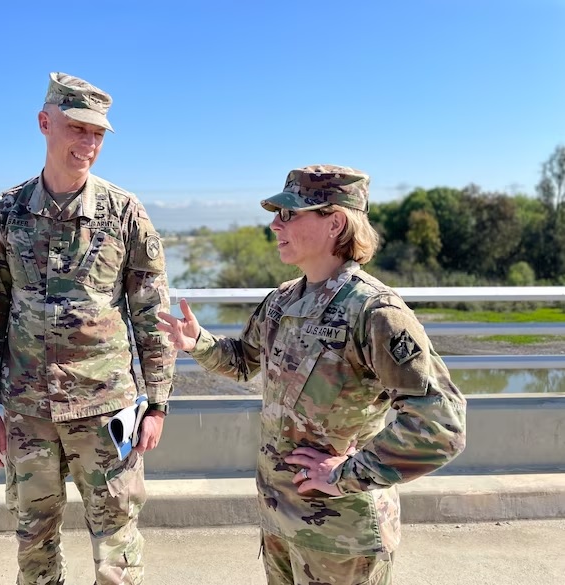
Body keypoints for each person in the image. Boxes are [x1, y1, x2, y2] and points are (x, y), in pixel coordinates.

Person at [156, 164, 467, 585]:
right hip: (279, 522)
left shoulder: (374, 312)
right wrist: (199, 343)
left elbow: (441, 423)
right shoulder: (283, 300)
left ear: (335, 222)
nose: (274, 225)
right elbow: (246, 361)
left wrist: (345, 474)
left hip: (342, 538)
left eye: (290, 214)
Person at [0, 72, 176, 585]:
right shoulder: (6, 212)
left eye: (98, 134)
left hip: (107, 410)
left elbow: (151, 314)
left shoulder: (125, 213)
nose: (88, 143)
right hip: (26, 411)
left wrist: (159, 402)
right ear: (45, 124)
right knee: (33, 541)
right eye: (77, 128)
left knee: (117, 546)